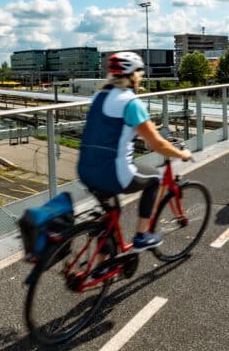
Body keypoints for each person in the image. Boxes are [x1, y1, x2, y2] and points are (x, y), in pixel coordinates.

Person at [77, 51, 192, 251]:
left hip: (86, 170)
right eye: (140, 72)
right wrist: (182, 154)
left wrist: (143, 129)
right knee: (155, 179)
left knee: (111, 215)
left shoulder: (98, 96)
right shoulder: (131, 102)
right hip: (113, 174)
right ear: (132, 75)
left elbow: (110, 129)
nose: (141, 76)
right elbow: (157, 145)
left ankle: (102, 266)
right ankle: (142, 235)